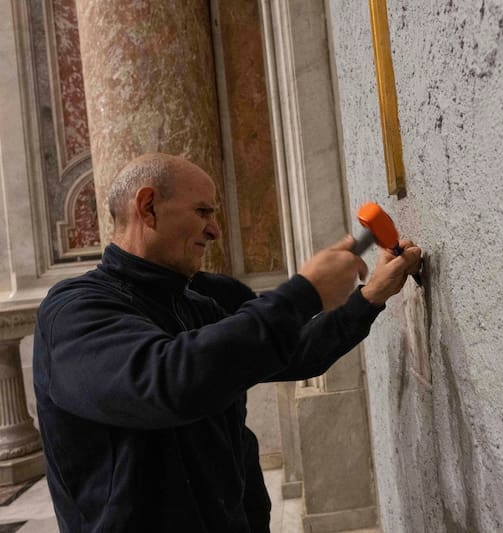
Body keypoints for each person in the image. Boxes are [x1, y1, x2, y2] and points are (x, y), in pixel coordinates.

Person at [33, 153, 422, 532]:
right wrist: (304, 293)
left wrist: (368, 297)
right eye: (203, 212)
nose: (216, 230)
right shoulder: (74, 313)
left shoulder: (198, 301)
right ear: (148, 207)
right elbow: (170, 382)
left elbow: (297, 352)